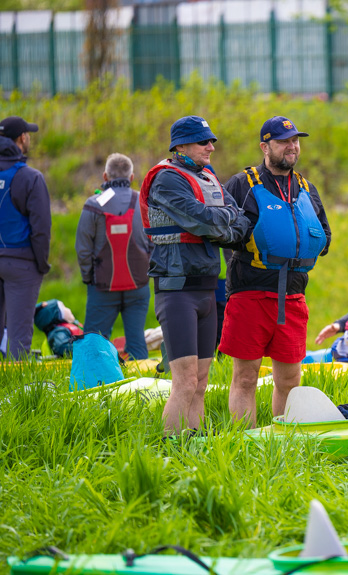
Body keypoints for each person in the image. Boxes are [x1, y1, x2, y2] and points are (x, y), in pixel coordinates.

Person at [140, 115, 250, 435]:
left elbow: (240, 224)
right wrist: (221, 224)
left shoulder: (209, 178)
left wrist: (220, 223)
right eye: (204, 141)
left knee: (201, 383)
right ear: (181, 146)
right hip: (176, 290)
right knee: (184, 382)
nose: (211, 147)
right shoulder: (167, 179)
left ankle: (195, 444)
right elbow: (200, 221)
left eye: (211, 140)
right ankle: (170, 448)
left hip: (206, 288)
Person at [221, 116, 331, 428]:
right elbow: (227, 235)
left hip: (294, 296)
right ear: (265, 147)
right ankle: (245, 440)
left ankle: (279, 440)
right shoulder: (241, 184)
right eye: (284, 141)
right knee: (245, 377)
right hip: (250, 293)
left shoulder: (306, 187)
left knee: (290, 380)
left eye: (295, 140)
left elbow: (324, 235)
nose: (292, 146)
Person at [75, 153, 152, 360]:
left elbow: (83, 248)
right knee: (136, 342)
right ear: (132, 177)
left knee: (94, 341)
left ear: (105, 176)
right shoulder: (144, 202)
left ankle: (91, 384)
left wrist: (89, 277)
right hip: (138, 285)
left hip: (103, 285)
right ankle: (141, 384)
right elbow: (155, 242)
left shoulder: (93, 203)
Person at [0, 116, 51, 360]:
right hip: (21, 263)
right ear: (22, 138)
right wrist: (41, 263)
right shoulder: (30, 177)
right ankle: (16, 394)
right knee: (19, 338)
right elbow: (41, 228)